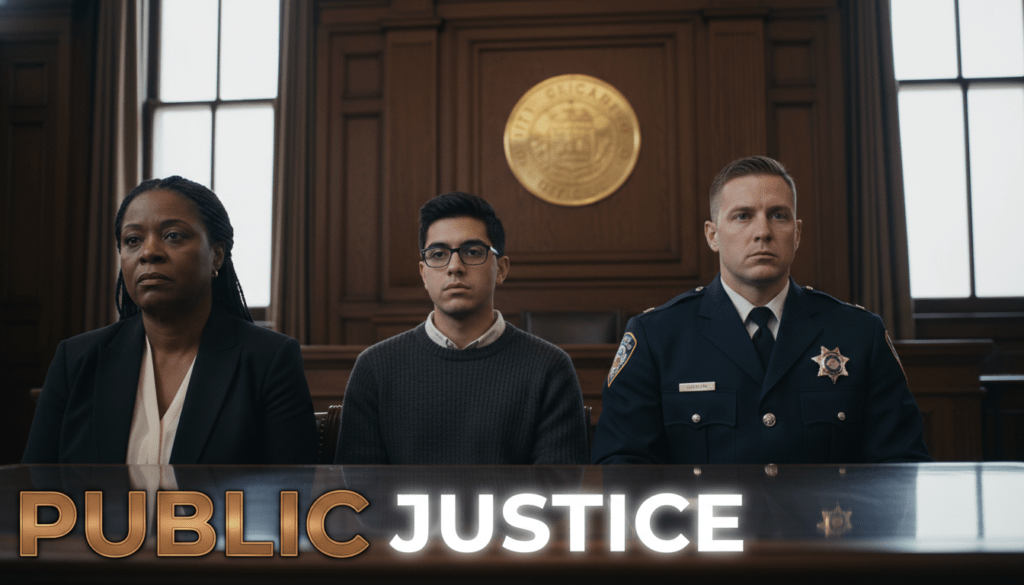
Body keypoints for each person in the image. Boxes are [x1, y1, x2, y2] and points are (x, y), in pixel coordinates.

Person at [592, 156, 930, 464]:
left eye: (778, 216)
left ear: (796, 234)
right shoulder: (657, 337)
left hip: (826, 531)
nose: (763, 232)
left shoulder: (859, 334)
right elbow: (622, 469)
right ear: (713, 235)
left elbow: (902, 468)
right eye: (743, 216)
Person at [23, 176, 317, 464]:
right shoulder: (75, 360)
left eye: (173, 235)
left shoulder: (269, 361)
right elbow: (32, 493)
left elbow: (290, 500)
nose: (149, 252)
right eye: (133, 240)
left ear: (216, 256)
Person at [335, 192, 589, 464]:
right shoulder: (375, 367)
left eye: (472, 252)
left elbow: (559, 495)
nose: (454, 267)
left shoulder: (550, 367)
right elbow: (358, 496)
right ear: (423, 273)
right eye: (438, 254)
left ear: (501, 269)